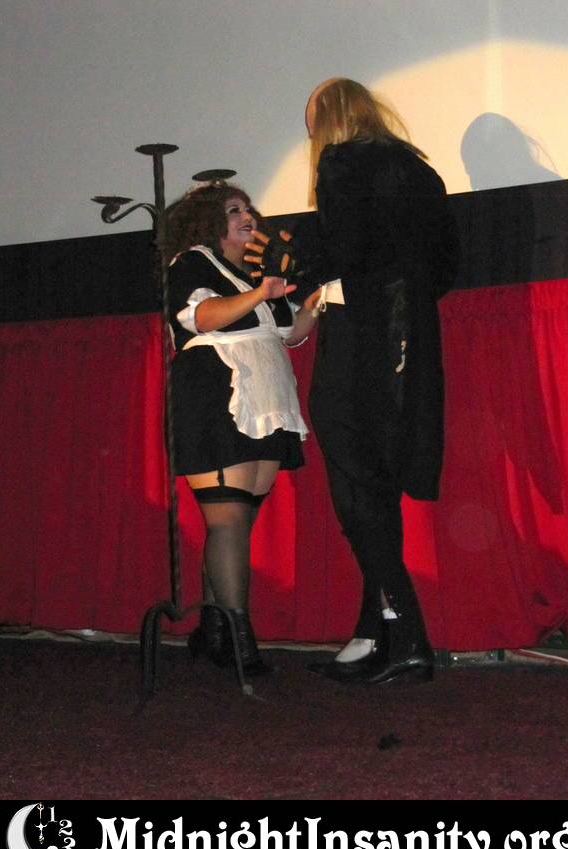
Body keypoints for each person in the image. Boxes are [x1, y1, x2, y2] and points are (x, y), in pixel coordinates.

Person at [299, 78, 460, 684]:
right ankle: (376, 630)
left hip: (359, 336)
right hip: (407, 338)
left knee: (356, 482)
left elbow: (343, 251)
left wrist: (298, 260)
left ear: (330, 120)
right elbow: (445, 264)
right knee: (374, 482)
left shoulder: (343, 162)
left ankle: (409, 633)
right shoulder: (419, 171)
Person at [164, 180, 320, 678]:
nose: (246, 216)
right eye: (234, 210)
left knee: (236, 524)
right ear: (209, 222)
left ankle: (212, 631)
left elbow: (290, 332)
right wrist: (259, 293)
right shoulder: (192, 262)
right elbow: (201, 316)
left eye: (248, 209)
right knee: (227, 522)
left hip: (265, 396)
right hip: (216, 392)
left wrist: (317, 297)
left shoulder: (255, 273)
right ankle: (237, 637)